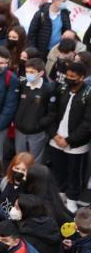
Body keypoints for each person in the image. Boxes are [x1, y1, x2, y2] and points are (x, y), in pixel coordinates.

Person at [48, 60, 91, 203]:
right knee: (58, 170)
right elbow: (52, 113)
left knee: (74, 174)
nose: (69, 79)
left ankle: (72, 199)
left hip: (76, 144)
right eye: (67, 76)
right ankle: (60, 194)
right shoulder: (61, 89)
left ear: (81, 77)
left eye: (72, 76)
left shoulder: (88, 94)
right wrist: (54, 135)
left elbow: (87, 123)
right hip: (56, 139)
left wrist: (68, 140)